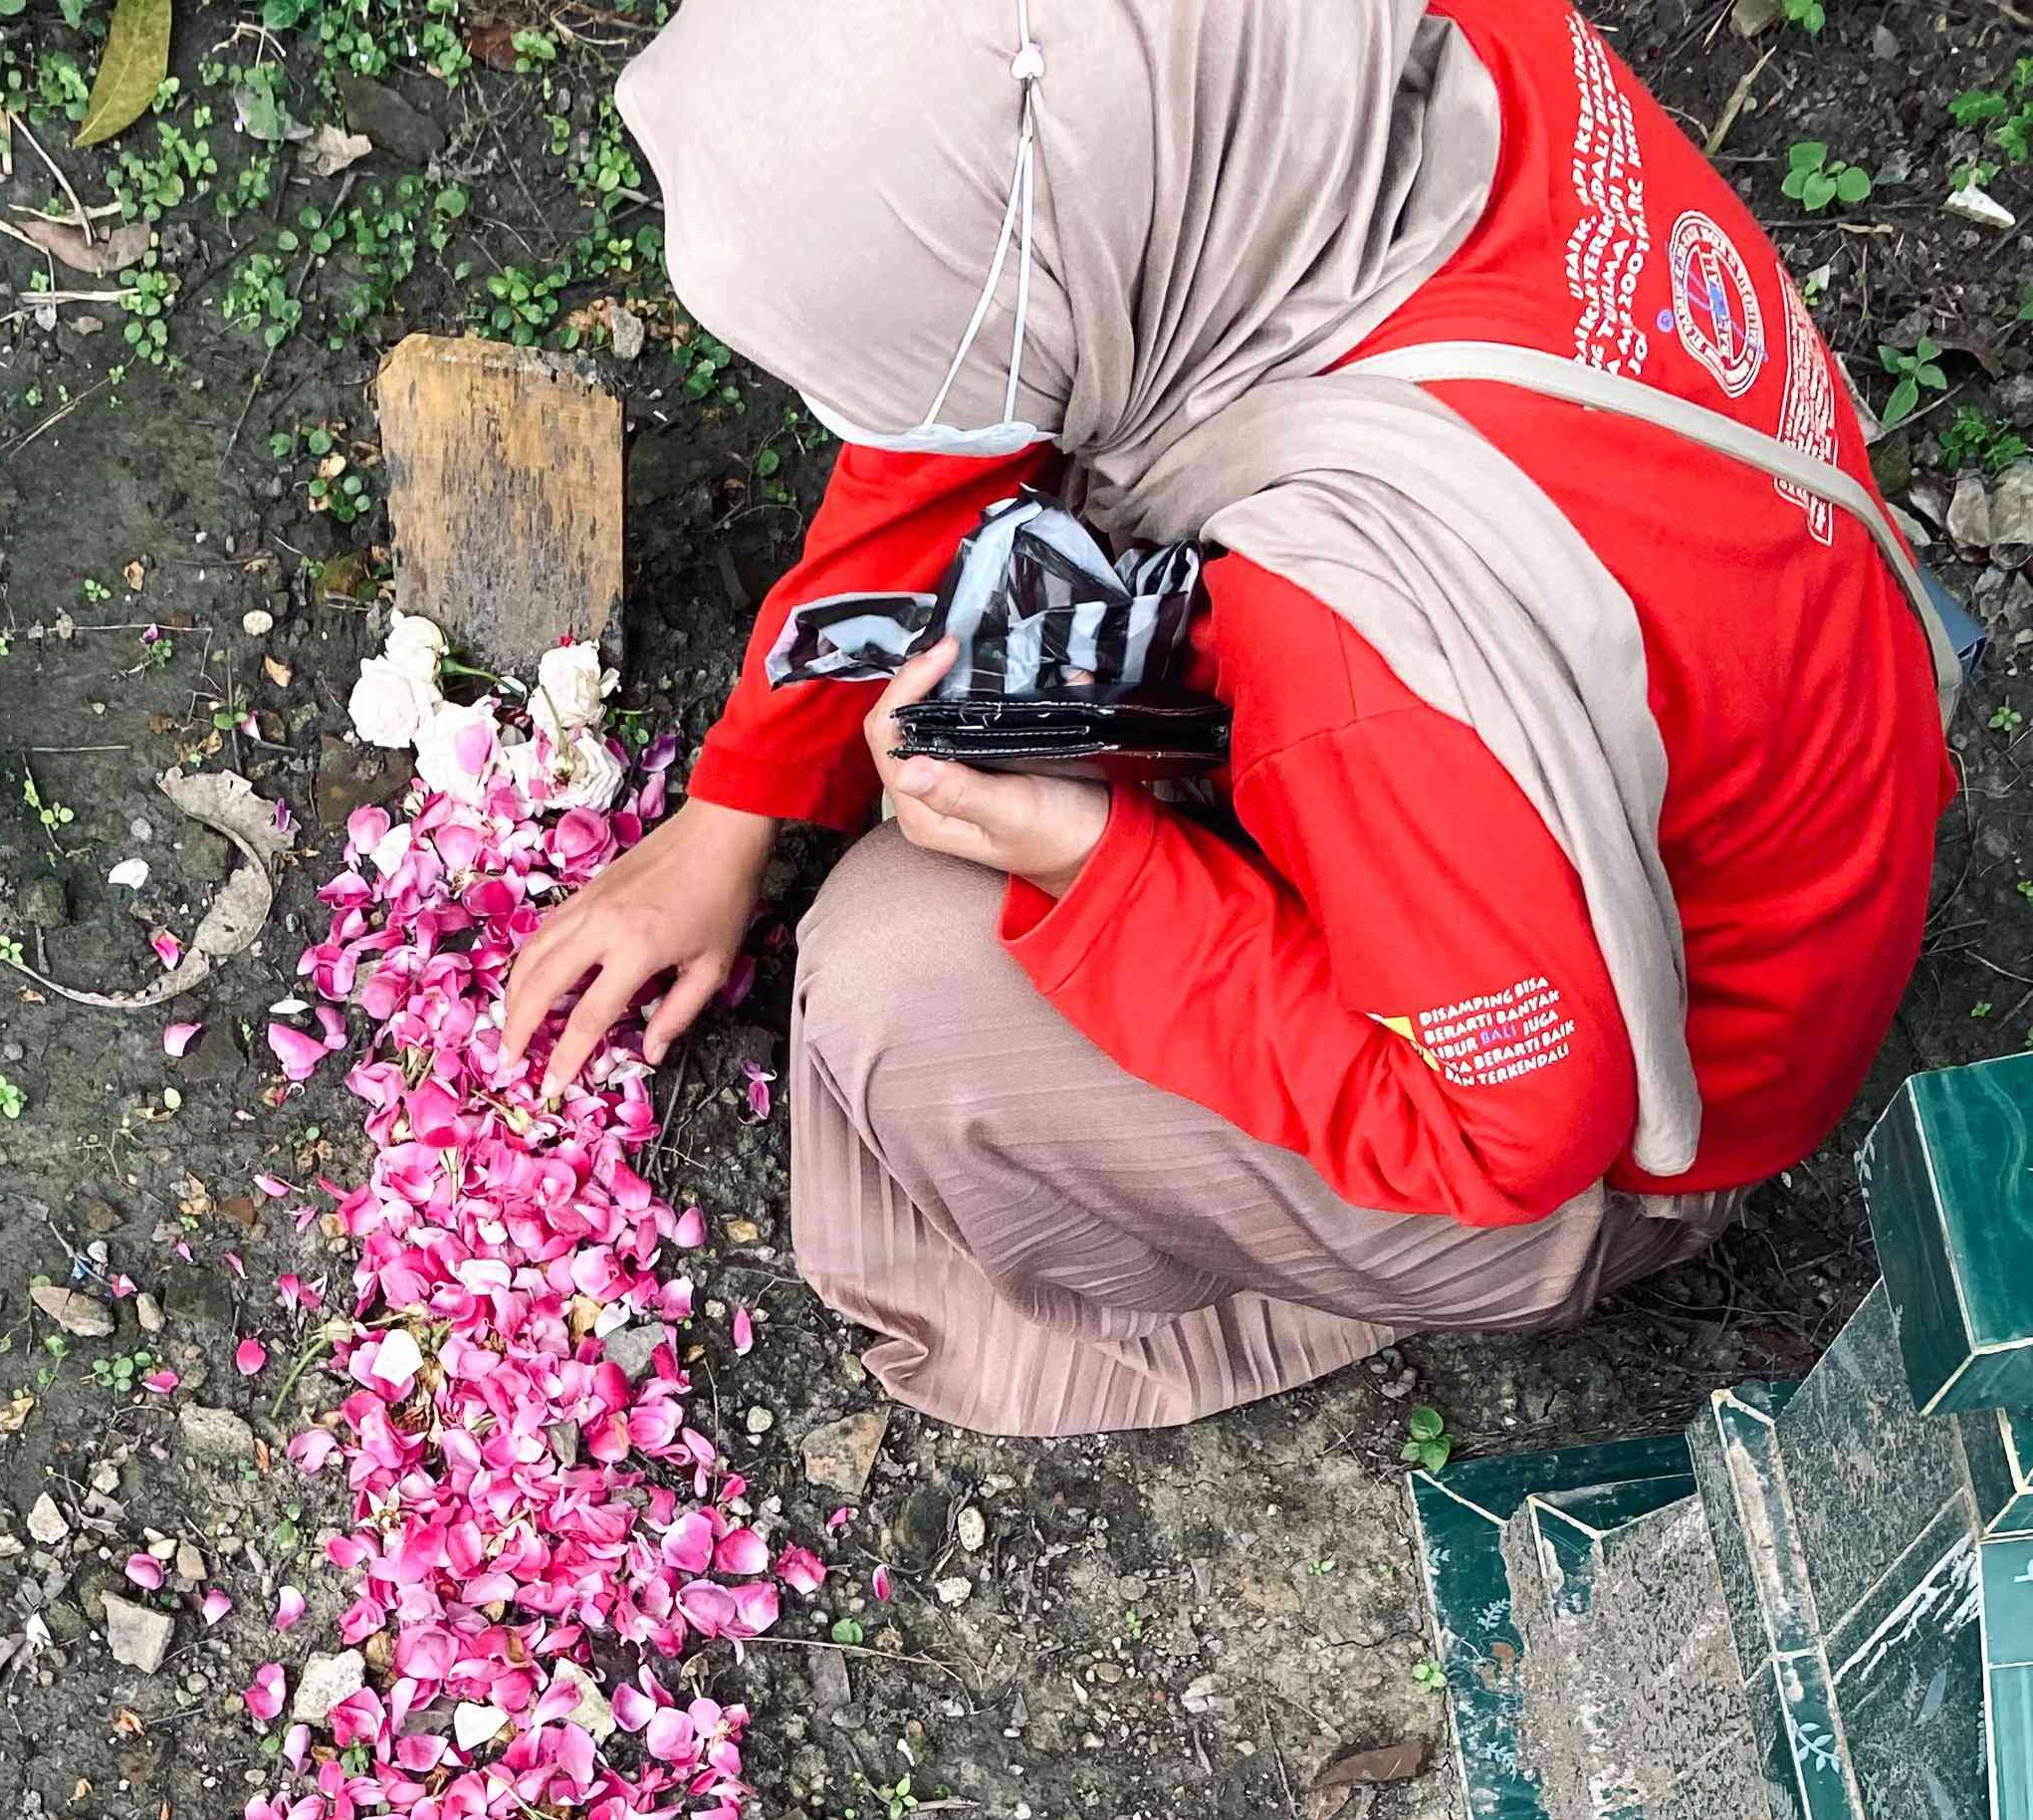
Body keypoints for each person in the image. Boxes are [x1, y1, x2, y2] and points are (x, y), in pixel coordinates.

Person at [497, 0, 1958, 1441]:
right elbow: (984, 369)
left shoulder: (1350, 645)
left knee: (899, 980)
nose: (876, 421)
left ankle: (1215, 1287)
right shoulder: (1269, 79)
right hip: (1730, 767)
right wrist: (736, 805)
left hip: (1633, 1123)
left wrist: (1094, 865)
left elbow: (1511, 1130)